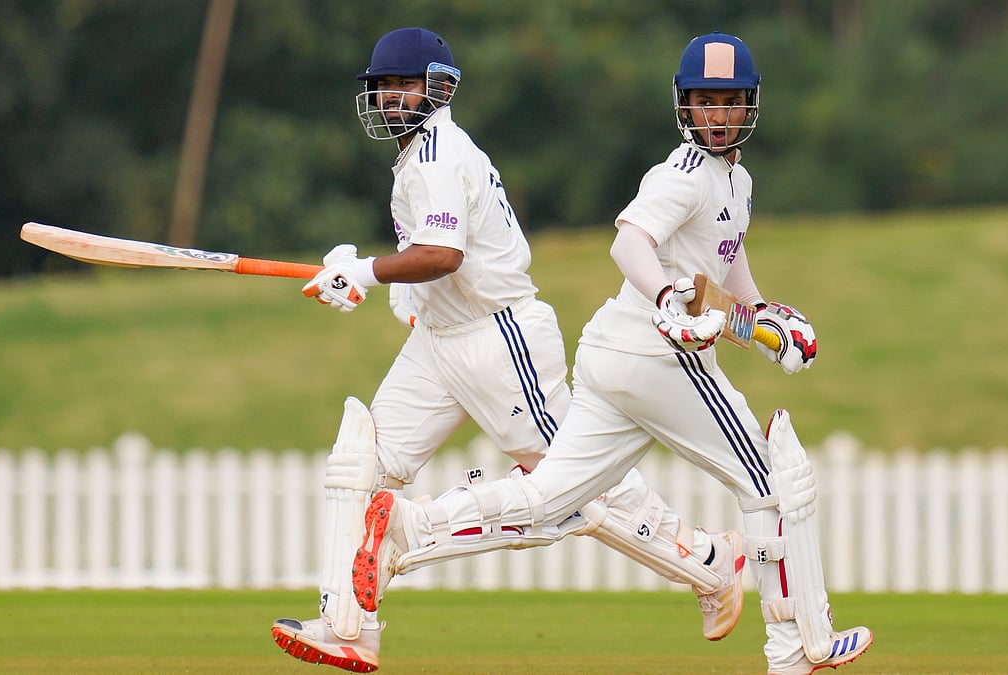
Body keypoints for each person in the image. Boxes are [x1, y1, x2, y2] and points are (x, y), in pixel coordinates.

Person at [350, 32, 873, 675]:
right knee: (771, 482)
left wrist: (764, 319)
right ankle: (799, 650)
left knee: (550, 500)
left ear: (750, 105)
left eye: (730, 101)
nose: (718, 115)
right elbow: (629, 243)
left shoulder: (736, 183)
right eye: (705, 102)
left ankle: (409, 530)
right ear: (685, 106)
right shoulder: (683, 175)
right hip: (658, 358)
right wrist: (665, 299)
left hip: (610, 354)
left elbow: (724, 270)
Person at [270, 27, 748, 673]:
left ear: (439, 88)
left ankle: (709, 564)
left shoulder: (439, 153)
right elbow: (437, 260)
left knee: (576, 489)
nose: (390, 98)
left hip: (501, 338)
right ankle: (349, 626)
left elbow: (444, 254)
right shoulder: (419, 155)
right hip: (439, 343)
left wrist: (365, 271)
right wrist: (397, 292)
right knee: (361, 466)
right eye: (383, 87)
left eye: (404, 85)